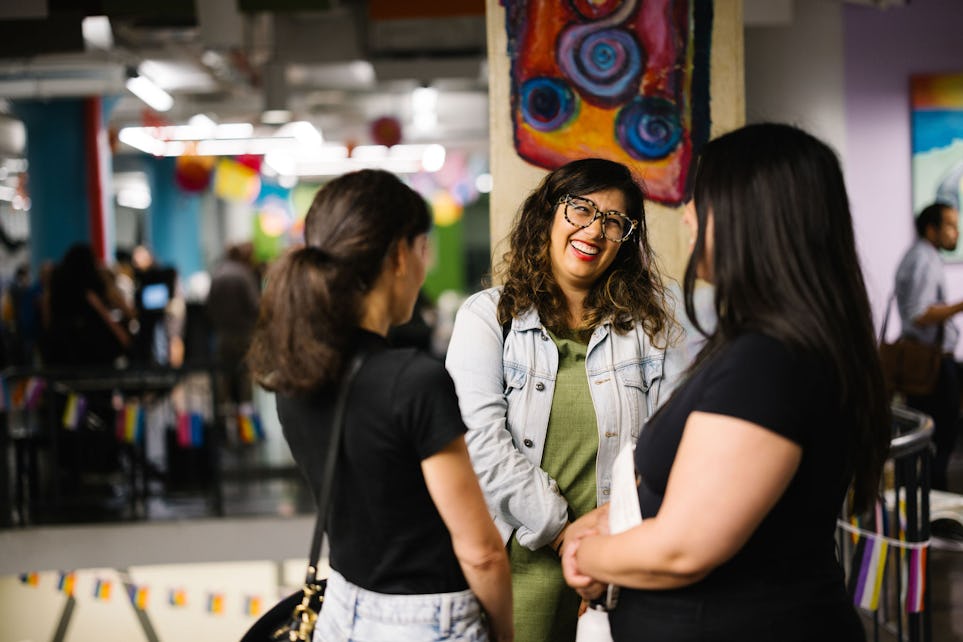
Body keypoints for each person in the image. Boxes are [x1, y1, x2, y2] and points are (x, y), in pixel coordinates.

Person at [561, 123, 892, 641]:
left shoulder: (773, 362)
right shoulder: (769, 347)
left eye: (701, 198)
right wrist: (609, 521)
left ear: (749, 216)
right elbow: (708, 490)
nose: (688, 214)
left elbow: (683, 548)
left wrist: (589, 555)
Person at [247, 169, 513, 642]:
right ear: (398, 255)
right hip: (428, 620)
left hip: (341, 611)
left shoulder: (291, 378)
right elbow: (481, 552)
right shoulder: (414, 382)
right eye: (423, 247)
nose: (425, 265)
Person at [445, 157, 687, 641]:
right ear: (548, 215)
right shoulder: (488, 318)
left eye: (614, 221)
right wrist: (564, 533)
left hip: (623, 559)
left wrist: (605, 537)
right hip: (521, 567)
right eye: (581, 209)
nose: (594, 231)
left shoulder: (657, 318)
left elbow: (674, 441)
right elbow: (480, 445)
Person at [894, 201, 963, 491]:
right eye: (950, 225)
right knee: (936, 440)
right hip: (931, 366)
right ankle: (932, 512)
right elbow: (918, 314)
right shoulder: (923, 258)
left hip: (932, 363)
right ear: (931, 228)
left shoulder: (923, 256)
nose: (955, 233)